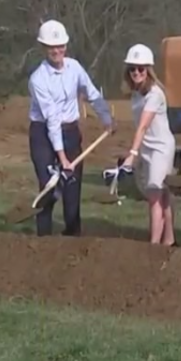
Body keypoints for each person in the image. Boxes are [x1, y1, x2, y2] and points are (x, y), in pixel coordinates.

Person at [27, 19, 114, 237]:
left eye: (60, 46)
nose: (57, 50)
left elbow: (92, 93)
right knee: (49, 186)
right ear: (44, 48)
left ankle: (73, 235)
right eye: (51, 47)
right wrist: (62, 157)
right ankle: (44, 238)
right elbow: (52, 119)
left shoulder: (74, 67)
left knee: (72, 186)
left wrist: (106, 117)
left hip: (71, 132)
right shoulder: (38, 79)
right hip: (43, 134)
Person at [121, 43, 178, 247]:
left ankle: (153, 245)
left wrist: (132, 153)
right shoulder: (137, 94)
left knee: (154, 195)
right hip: (146, 147)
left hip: (160, 148)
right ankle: (169, 238)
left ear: (149, 71)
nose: (136, 73)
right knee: (161, 195)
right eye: (132, 69)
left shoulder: (155, 94)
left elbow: (143, 126)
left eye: (141, 69)